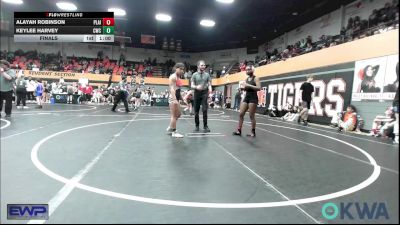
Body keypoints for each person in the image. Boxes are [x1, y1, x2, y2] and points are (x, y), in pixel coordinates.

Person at [233, 64, 261, 137]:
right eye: (246, 69)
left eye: (249, 69)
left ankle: (253, 132)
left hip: (253, 97)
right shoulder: (246, 79)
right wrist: (242, 88)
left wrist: (249, 86)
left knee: (251, 115)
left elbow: (259, 88)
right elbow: (245, 89)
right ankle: (239, 130)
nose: (247, 71)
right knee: (241, 113)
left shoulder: (256, 78)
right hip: (247, 97)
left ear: (253, 70)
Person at [191, 60, 212, 132]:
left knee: (205, 110)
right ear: (198, 66)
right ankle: (197, 126)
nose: (203, 66)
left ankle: (205, 126)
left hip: (204, 93)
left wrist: (210, 90)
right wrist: (196, 87)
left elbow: (209, 84)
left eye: (204, 65)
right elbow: (192, 85)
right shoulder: (194, 75)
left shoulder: (207, 75)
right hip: (197, 93)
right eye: (202, 65)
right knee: (196, 111)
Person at [166, 63, 186, 138]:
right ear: (176, 68)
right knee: (174, 116)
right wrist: (174, 100)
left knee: (179, 114)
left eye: (183, 69)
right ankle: (174, 132)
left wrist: (182, 99)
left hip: (177, 97)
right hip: (173, 98)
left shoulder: (178, 77)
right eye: (180, 69)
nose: (182, 71)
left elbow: (178, 89)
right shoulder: (173, 77)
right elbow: (172, 89)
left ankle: (171, 126)